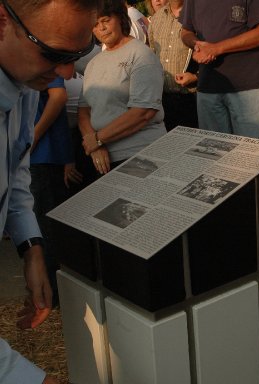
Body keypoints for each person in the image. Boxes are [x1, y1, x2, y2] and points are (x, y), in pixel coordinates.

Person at [0, 0, 99, 382]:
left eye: (78, 53)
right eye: (53, 53)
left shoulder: (24, 82)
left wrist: (31, 246)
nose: (64, 72)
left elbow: (16, 168)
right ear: (3, 21)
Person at [79, 0, 167, 177]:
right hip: (103, 159)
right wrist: (95, 146)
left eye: (105, 20)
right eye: (95, 24)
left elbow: (144, 112)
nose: (101, 28)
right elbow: (84, 111)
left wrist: (98, 139)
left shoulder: (141, 54)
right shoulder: (93, 63)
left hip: (141, 153)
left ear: (120, 19)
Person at [181, 0, 259, 139]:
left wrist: (217, 48)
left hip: (248, 86)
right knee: (212, 154)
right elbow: (186, 31)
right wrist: (196, 45)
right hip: (208, 85)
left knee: (249, 155)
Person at [30, 77, 82, 307]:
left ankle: (52, 292)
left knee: (45, 227)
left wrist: (32, 136)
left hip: (41, 155)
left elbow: (58, 97)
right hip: (38, 155)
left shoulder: (37, 54)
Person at [148, 0, 198, 131]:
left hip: (192, 98)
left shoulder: (197, 14)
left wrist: (195, 76)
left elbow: (210, 53)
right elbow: (152, 55)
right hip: (163, 101)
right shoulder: (156, 18)